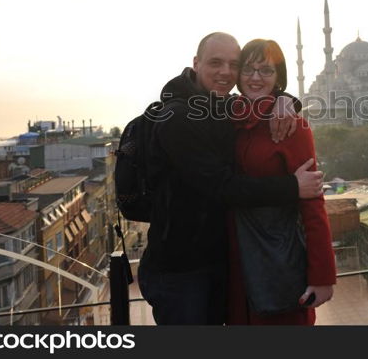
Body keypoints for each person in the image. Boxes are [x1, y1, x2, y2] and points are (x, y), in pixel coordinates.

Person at [138, 32, 324, 325]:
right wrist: (292, 186)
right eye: (215, 63)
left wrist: (284, 101)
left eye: (233, 64)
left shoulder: (223, 107)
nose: (226, 72)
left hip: (226, 262)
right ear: (196, 64)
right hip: (182, 270)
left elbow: (259, 98)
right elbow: (221, 186)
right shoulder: (179, 117)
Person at [226, 39, 336, 325]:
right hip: (236, 259)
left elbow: (313, 205)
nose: (255, 78)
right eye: (248, 69)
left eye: (266, 71)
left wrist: (322, 277)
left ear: (279, 77)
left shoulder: (291, 126)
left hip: (277, 260)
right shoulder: (228, 117)